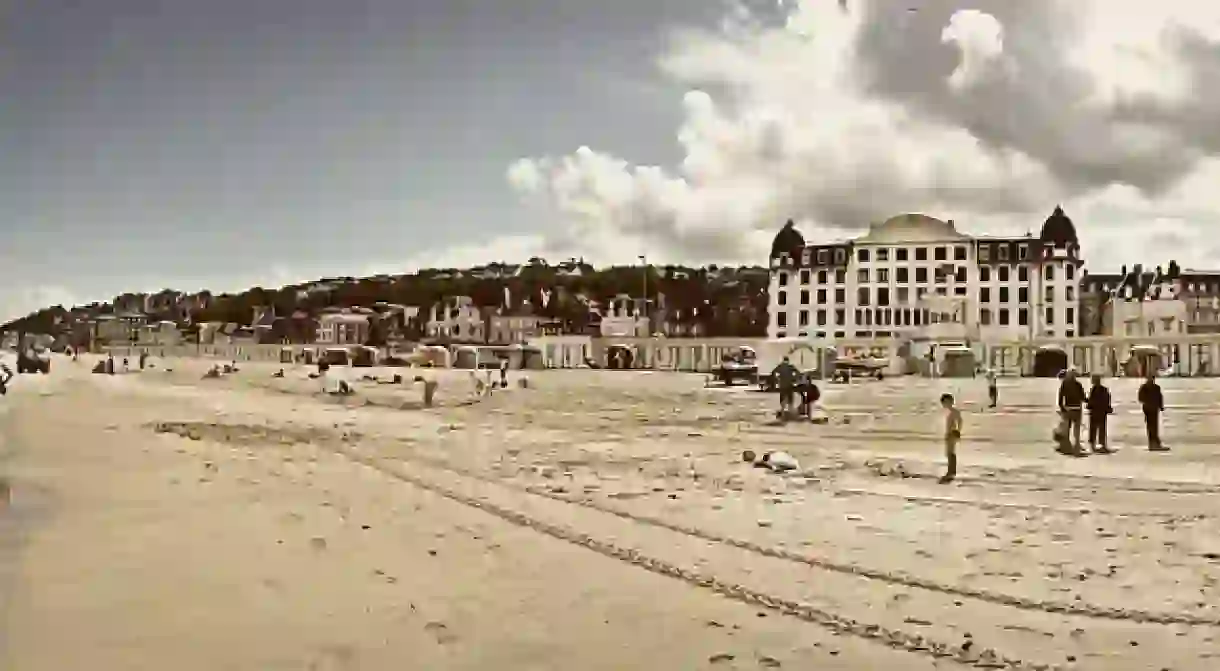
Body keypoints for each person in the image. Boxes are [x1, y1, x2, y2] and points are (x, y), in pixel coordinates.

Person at [1057, 369, 1086, 455]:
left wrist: (1062, 407)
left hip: (1068, 408)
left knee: (1066, 428)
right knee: (1076, 428)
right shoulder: (1078, 384)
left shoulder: (1065, 384)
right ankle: (1076, 444)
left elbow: (1060, 397)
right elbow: (1082, 397)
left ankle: (1066, 446)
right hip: (1077, 408)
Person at [1138, 372, 1167, 451]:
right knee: (1151, 427)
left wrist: (1161, 406)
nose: (1151, 380)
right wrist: (1148, 402)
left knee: (1154, 426)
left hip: (1154, 409)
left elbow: (1160, 397)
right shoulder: (1144, 388)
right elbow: (1140, 398)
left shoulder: (1156, 387)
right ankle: (1152, 443)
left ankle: (1155, 442)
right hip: (1148, 409)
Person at [1086, 373, 1113, 454]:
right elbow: (1107, 399)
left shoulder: (1093, 390)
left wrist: (1088, 404)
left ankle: (1093, 444)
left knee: (1093, 429)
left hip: (1095, 411)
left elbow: (1091, 400)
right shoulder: (1104, 389)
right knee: (1101, 428)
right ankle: (1102, 444)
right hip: (1101, 412)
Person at [939, 393, 962, 484]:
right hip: (950, 433)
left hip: (952, 434)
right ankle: (951, 471)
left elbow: (960, 421)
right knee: (949, 453)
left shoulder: (954, 412)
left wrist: (957, 431)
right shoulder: (951, 412)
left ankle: (951, 471)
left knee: (950, 453)